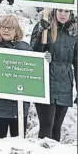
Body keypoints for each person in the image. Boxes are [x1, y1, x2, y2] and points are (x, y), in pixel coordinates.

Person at [0, 15, 51, 138]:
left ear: (16, 31)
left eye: (10, 28)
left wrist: (45, 60)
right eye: (3, 27)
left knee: (19, 141)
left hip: (18, 106)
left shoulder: (25, 48)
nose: (6, 30)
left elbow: (34, 69)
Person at [30, 8, 77, 142]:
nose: (63, 14)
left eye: (67, 11)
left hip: (64, 84)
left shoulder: (74, 32)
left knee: (56, 128)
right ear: (54, 11)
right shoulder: (44, 27)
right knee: (46, 128)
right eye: (60, 10)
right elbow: (33, 52)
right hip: (45, 82)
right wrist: (40, 33)